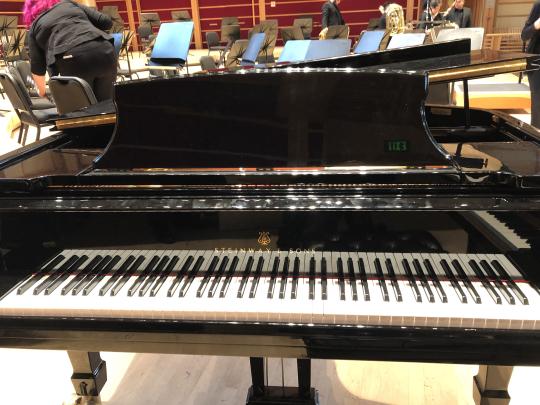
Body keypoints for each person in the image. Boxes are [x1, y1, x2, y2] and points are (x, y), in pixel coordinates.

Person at [23, 0, 117, 101]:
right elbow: (106, 22)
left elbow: (37, 68)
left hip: (72, 57)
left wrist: (42, 92)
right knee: (108, 105)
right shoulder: (68, 4)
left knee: (82, 110)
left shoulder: (35, 26)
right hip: (104, 49)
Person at [522, 1, 540, 128]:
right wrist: (536, 25)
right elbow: (524, 35)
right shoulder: (538, 6)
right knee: (538, 103)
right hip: (537, 62)